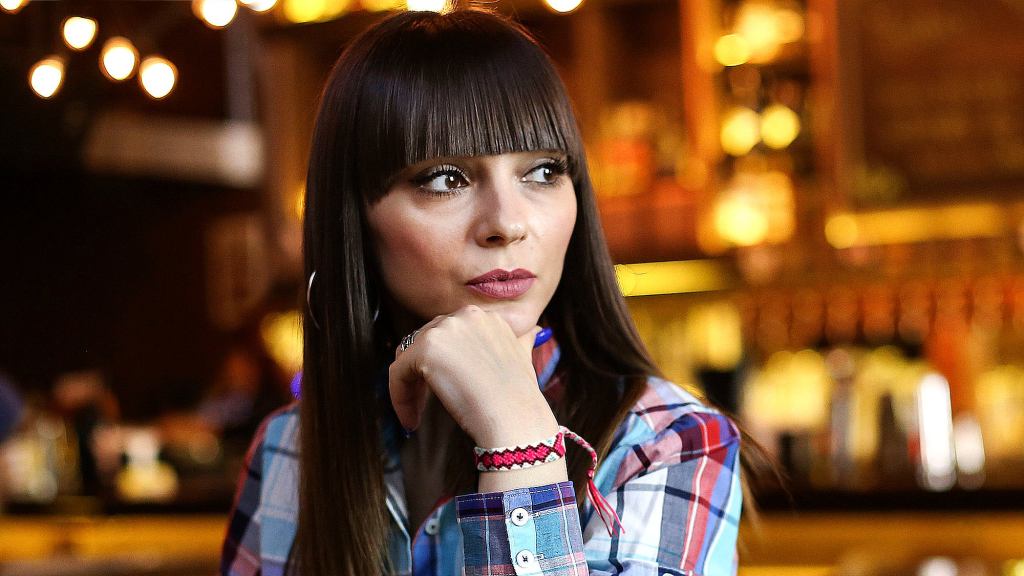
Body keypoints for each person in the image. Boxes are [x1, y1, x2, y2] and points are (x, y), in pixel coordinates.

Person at [221, 8, 743, 576]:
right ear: (356, 220)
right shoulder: (288, 452)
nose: (508, 223)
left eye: (543, 172)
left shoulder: (668, 443)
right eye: (446, 179)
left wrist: (517, 441)